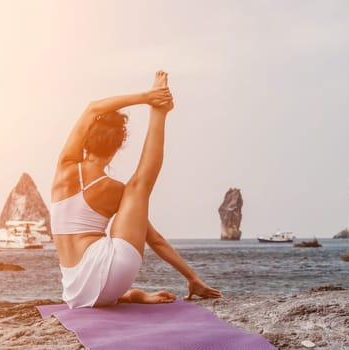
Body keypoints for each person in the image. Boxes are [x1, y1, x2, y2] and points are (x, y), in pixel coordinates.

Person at [51, 71, 222, 308]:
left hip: (74, 294)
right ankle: (160, 114)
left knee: (134, 191)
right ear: (119, 145)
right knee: (139, 184)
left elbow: (92, 108)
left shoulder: (65, 167)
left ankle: (130, 296)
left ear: (86, 139)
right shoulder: (117, 191)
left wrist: (145, 96)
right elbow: (156, 241)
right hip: (112, 276)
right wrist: (192, 277)